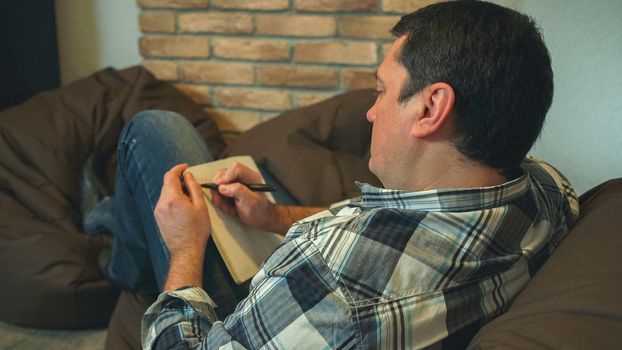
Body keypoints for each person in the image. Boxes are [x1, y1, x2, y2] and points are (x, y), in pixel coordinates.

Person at [107, 1, 579, 348]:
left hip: (259, 324)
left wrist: (184, 247)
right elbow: (388, 240)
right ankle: (111, 220)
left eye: (381, 91)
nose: (371, 113)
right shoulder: (547, 189)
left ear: (432, 107)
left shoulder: (336, 281)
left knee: (152, 131)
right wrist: (274, 216)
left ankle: (123, 260)